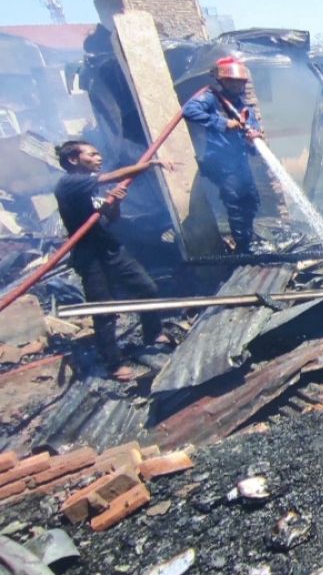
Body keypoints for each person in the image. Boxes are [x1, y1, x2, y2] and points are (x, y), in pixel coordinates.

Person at [54, 141, 170, 381]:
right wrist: (148, 164)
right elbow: (113, 176)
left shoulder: (89, 187)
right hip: (89, 256)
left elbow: (111, 217)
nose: (99, 157)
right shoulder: (70, 183)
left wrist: (114, 202)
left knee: (147, 288)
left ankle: (153, 332)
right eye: (92, 153)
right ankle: (113, 364)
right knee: (104, 310)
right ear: (74, 160)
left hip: (110, 248)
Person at [183, 57, 265, 254]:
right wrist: (222, 123)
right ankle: (242, 249)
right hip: (221, 162)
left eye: (240, 82)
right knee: (236, 202)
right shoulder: (212, 99)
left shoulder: (244, 108)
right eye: (232, 82)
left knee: (252, 200)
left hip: (240, 162)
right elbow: (189, 110)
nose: (237, 86)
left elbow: (251, 130)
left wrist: (253, 138)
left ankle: (246, 237)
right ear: (222, 82)